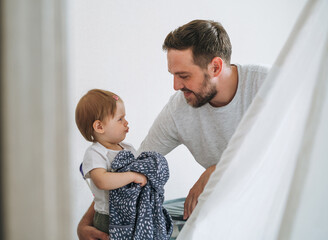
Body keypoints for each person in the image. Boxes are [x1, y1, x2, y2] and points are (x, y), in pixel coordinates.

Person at [77, 19, 269, 239]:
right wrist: (87, 223)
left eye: (184, 76)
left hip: (269, 202)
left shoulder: (269, 86)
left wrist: (216, 170)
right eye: (173, 75)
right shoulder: (179, 108)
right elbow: (131, 169)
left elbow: (291, 158)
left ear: (215, 67)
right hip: (221, 204)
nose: (176, 86)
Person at [75, 89, 147, 237]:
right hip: (108, 217)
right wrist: (132, 176)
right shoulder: (96, 153)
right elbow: (102, 181)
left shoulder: (128, 148)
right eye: (120, 119)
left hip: (132, 212)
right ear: (99, 127)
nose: (126, 122)